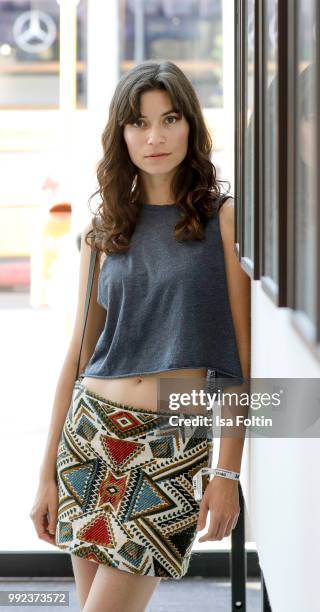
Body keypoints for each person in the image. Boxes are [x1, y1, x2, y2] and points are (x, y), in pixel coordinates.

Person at [29, 60, 250, 611]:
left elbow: (244, 364)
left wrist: (226, 471)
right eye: (138, 123)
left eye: (169, 119)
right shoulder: (103, 231)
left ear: (191, 126)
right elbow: (78, 356)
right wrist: (46, 474)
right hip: (89, 438)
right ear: (120, 134)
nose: (154, 137)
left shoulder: (223, 220)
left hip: (172, 446)